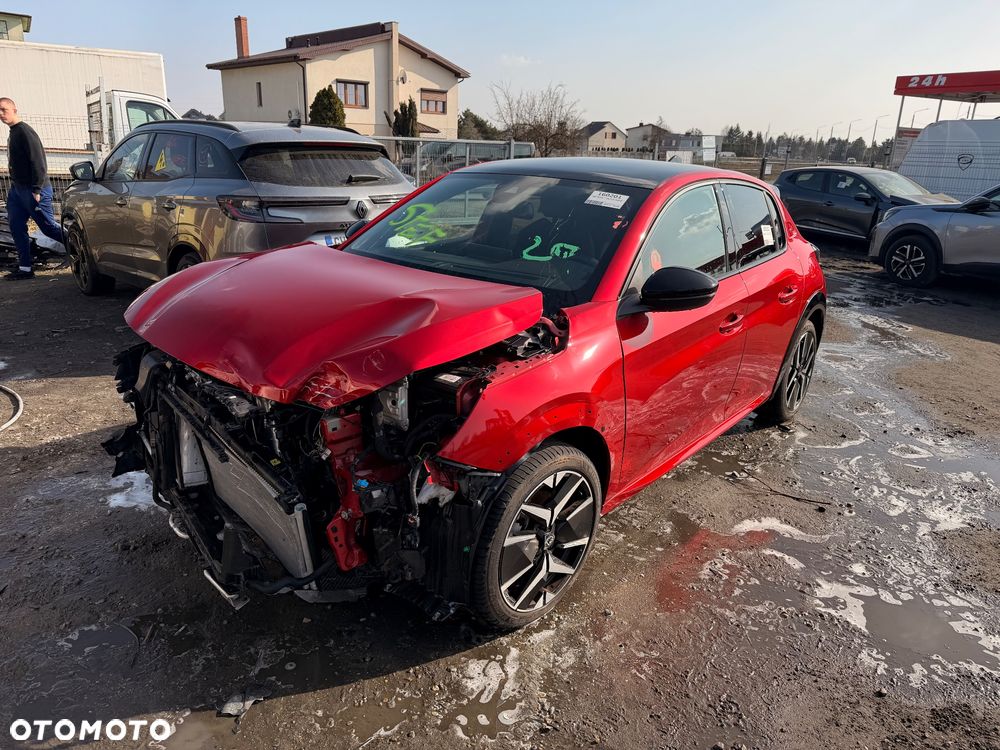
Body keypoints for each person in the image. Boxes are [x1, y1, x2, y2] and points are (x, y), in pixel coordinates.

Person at [1, 97, 65, 281]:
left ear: (14, 109)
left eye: (4, 109)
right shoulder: (13, 132)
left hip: (34, 190)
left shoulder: (25, 132)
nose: (1, 114)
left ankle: (81, 251)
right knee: (16, 226)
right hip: (17, 191)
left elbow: (39, 162)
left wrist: (36, 189)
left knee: (48, 228)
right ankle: (25, 268)